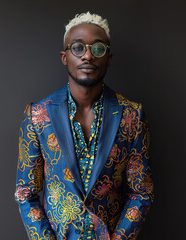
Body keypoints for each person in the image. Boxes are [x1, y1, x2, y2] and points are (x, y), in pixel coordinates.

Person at [15, 12, 154, 240]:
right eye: (78, 48)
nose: (88, 56)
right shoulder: (37, 115)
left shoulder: (132, 115)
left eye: (98, 49)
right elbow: (25, 193)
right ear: (64, 57)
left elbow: (141, 192)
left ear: (108, 58)